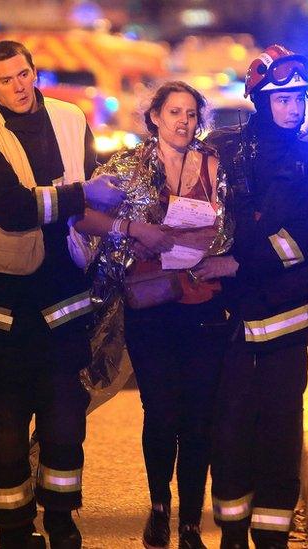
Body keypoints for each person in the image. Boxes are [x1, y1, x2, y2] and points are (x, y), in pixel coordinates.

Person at [0, 40, 125, 549]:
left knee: (65, 424)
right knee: (3, 426)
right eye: (6, 80)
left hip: (63, 301)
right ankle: (13, 528)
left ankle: (61, 520)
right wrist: (81, 196)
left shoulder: (73, 120)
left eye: (24, 74)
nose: (19, 86)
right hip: (3, 310)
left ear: (35, 72)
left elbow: (88, 191)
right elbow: (11, 208)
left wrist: (122, 227)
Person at [82, 81, 232, 549]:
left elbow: (240, 225)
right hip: (151, 306)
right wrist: (134, 229)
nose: (183, 121)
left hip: (205, 304)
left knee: (199, 417)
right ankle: (158, 508)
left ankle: (190, 523)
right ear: (155, 118)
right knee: (162, 411)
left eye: (190, 113)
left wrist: (223, 254)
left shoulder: (217, 165)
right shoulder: (130, 166)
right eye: (174, 113)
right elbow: (82, 214)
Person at [199, 45, 308, 549]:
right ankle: (232, 532)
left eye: (299, 97)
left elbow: (303, 244)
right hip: (229, 322)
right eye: (282, 99)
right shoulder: (225, 151)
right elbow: (206, 220)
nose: (293, 107)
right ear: (260, 99)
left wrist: (237, 257)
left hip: (283, 325)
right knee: (229, 432)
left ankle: (273, 537)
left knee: (280, 435)